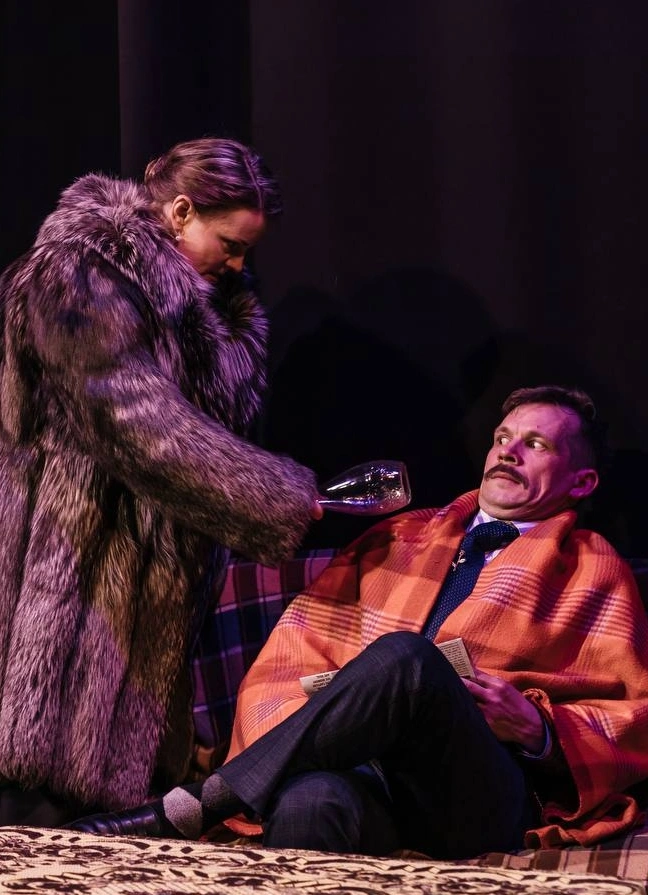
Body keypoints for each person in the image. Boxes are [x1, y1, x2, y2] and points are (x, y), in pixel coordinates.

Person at [68, 385, 648, 859]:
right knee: (310, 801)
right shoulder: (398, 535)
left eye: (536, 444)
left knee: (409, 658)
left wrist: (538, 731)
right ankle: (231, 803)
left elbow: (630, 721)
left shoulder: (594, 570)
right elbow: (294, 652)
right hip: (366, 775)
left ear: (581, 481)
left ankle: (204, 802)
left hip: (477, 793)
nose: (508, 453)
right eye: (502, 438)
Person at [0, 137, 322, 826]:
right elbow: (131, 421)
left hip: (144, 613)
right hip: (69, 575)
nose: (238, 266)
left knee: (112, 830)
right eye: (230, 244)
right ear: (180, 211)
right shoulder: (79, 273)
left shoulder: (215, 314)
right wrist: (276, 496)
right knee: (36, 822)